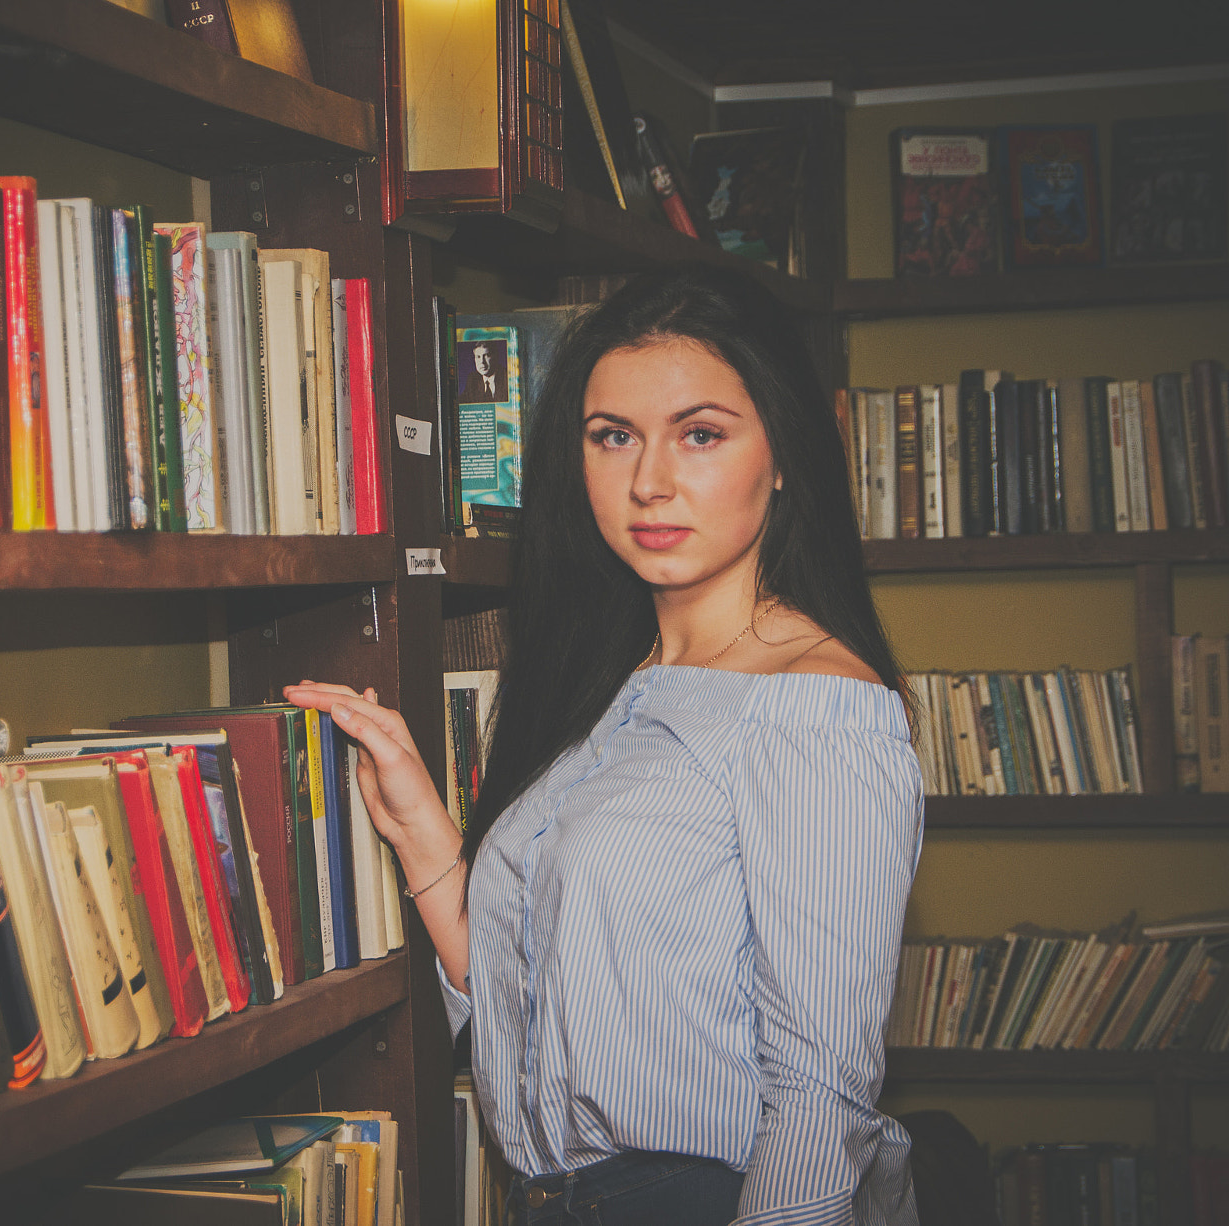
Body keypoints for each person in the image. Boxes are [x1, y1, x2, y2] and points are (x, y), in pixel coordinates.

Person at [286, 267, 922, 1226]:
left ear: (783, 453)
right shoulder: (606, 683)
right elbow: (525, 997)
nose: (649, 481)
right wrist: (427, 836)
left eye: (699, 434)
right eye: (612, 437)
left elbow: (822, 1094)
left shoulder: (815, 712)